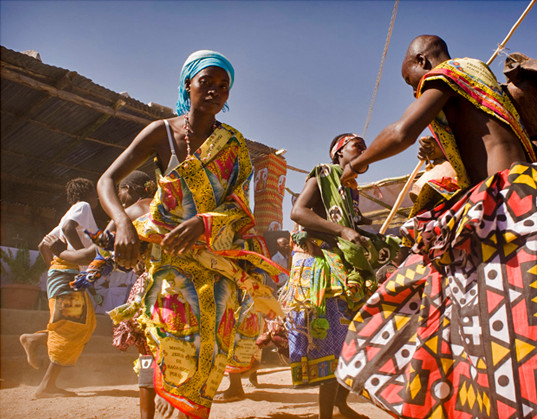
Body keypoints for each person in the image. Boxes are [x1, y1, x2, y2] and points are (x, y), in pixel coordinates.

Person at [336, 35, 537, 418]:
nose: (415, 93)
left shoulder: (447, 74)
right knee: (536, 327)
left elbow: (401, 132)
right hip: (530, 203)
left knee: (510, 331)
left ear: (423, 61)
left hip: (503, 214)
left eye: (411, 82)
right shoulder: (487, 87)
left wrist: (356, 166)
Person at [96, 50, 284, 419]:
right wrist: (120, 222)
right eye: (207, 82)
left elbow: (240, 209)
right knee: (165, 348)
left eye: (223, 86)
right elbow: (107, 180)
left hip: (217, 267)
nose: (215, 91)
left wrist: (203, 222)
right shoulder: (161, 132)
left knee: (210, 357)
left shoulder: (234, 146)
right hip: (168, 267)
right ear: (188, 84)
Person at [281, 133, 399, 419]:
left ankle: (341, 404)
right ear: (338, 153)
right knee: (332, 340)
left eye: (364, 146)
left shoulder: (351, 192)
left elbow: (348, 224)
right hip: (322, 264)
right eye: (356, 145)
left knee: (352, 338)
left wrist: (363, 232)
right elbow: (298, 212)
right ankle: (326, 414)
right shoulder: (323, 174)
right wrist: (342, 230)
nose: (363, 149)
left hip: (347, 267)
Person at [19, 178, 100, 398]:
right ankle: (46, 387)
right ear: (87, 193)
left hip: (64, 275)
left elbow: (43, 245)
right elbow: (66, 229)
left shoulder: (70, 212)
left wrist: (56, 267)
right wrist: (73, 258)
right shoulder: (82, 207)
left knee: (85, 323)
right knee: (73, 326)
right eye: (95, 193)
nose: (97, 197)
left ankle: (35, 340)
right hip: (67, 277)